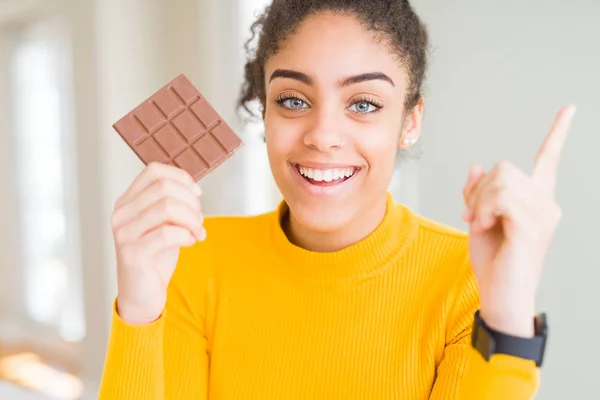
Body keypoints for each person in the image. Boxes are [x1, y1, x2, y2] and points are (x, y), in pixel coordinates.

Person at [98, 0, 575, 398]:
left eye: (363, 104)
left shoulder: (467, 279)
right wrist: (139, 309)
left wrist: (508, 321)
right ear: (264, 113)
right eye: (293, 100)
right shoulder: (192, 259)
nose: (324, 135)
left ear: (410, 122)